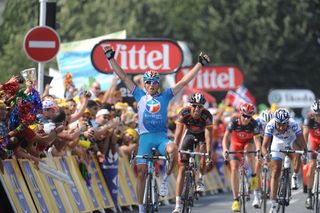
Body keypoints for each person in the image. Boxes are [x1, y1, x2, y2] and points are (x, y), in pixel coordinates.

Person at [103, 45, 210, 213]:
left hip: (161, 137)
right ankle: (140, 208)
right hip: (145, 137)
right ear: (144, 84)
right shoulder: (139, 94)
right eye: (148, 82)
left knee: (174, 148)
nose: (151, 85)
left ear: (157, 84)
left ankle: (165, 180)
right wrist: (110, 58)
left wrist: (199, 65)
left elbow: (184, 81)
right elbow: (123, 77)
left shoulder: (165, 95)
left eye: (154, 82)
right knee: (142, 172)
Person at [172, 93, 213, 213]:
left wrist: (208, 154)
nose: (196, 109)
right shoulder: (184, 112)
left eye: (200, 107)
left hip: (202, 136)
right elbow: (178, 133)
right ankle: (178, 204)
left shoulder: (207, 115)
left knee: (202, 154)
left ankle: (201, 178)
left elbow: (209, 136)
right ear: (190, 105)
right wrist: (175, 148)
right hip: (189, 135)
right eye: (194, 106)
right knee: (182, 168)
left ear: (203, 108)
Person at [261, 108, 307, 213]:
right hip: (277, 143)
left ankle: (294, 175)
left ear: (288, 122)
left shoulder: (293, 124)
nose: (281, 127)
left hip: (291, 141)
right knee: (276, 171)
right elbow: (264, 146)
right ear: (275, 121)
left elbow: (302, 142)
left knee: (298, 151)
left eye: (284, 124)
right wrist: (266, 155)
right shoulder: (270, 125)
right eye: (279, 124)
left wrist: (304, 152)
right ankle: (273, 203)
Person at [222, 102, 261, 212]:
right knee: (234, 168)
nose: (246, 118)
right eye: (244, 115)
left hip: (248, 143)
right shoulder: (234, 121)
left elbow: (257, 140)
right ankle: (235, 200)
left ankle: (253, 175)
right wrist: (225, 149)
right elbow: (226, 137)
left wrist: (258, 150)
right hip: (236, 143)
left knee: (249, 151)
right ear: (240, 113)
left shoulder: (254, 124)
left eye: (249, 116)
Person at [251, 109, 273, 208]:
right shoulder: (257, 122)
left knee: (273, 162)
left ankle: (271, 187)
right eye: (265, 125)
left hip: (270, 139)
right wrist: (258, 152)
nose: (266, 127)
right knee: (256, 168)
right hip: (258, 138)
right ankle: (255, 195)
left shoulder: (274, 124)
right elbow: (256, 141)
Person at [304, 99, 320, 209]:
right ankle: (309, 195)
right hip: (313, 141)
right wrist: (305, 149)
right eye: (316, 115)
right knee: (312, 165)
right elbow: (305, 134)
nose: (318, 117)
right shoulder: (309, 118)